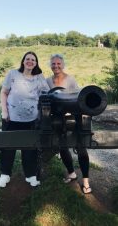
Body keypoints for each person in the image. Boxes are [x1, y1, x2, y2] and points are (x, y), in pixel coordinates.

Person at [0, 51, 49, 188]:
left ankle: (30, 175)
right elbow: (4, 92)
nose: (30, 61)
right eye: (27, 59)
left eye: (33, 59)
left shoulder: (39, 77)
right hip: (11, 118)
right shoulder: (13, 74)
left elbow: (46, 94)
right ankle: (5, 174)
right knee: (7, 147)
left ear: (36, 63)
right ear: (23, 61)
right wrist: (4, 111)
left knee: (30, 148)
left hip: (31, 119)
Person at [46, 54, 92, 194]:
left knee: (81, 148)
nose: (56, 66)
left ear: (63, 65)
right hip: (57, 119)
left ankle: (85, 181)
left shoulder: (70, 80)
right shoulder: (47, 81)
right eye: (53, 64)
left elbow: (78, 99)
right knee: (62, 147)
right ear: (50, 65)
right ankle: (72, 173)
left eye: (59, 64)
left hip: (72, 117)